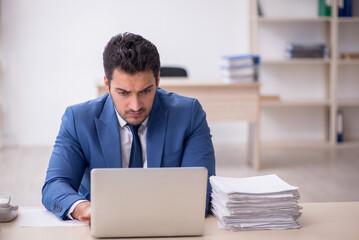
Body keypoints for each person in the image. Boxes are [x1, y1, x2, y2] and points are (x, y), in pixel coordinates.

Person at [42, 32, 216, 224]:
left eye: (146, 91)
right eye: (123, 92)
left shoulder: (189, 115)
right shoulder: (78, 120)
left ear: (157, 80)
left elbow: (200, 194)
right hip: (104, 226)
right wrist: (84, 207)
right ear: (107, 85)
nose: (135, 105)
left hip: (167, 226)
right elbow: (55, 185)